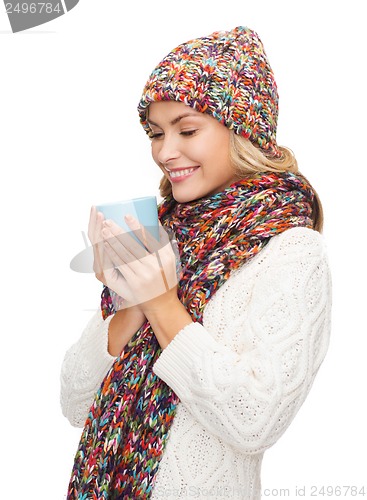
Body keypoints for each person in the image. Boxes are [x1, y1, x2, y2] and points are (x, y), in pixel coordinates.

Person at [61, 26, 332, 499]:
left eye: (187, 129)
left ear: (246, 131)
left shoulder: (292, 251)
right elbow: (75, 404)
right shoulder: (164, 235)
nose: (165, 152)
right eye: (155, 133)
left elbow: (254, 422)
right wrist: (130, 301)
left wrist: (163, 303)